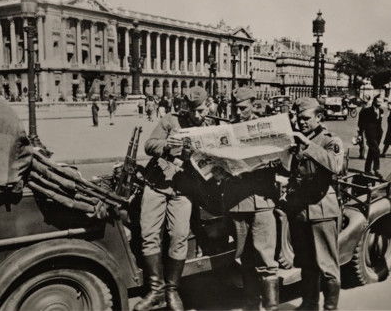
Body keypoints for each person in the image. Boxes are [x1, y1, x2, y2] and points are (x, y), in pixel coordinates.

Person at [134, 87, 210, 311]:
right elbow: (149, 145)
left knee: (178, 236)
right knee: (149, 235)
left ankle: (172, 290)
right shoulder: (171, 121)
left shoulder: (210, 128)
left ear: (210, 105)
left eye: (202, 111)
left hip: (183, 191)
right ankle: (155, 291)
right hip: (156, 185)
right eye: (194, 111)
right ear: (187, 107)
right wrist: (168, 145)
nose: (197, 116)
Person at [217, 87, 279, 310]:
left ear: (254, 105)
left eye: (243, 107)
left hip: (262, 201)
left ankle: (271, 308)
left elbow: (282, 159)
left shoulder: (267, 127)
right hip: (237, 203)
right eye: (236, 107)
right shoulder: (228, 129)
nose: (238, 111)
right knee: (244, 259)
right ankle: (252, 305)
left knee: (266, 259)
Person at [286, 97, 344, 311]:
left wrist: (308, 144)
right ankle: (309, 304)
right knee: (306, 262)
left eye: (306, 118)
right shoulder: (297, 140)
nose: (301, 122)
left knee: (327, 265)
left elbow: (335, 165)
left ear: (319, 117)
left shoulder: (330, 140)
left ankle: (330, 308)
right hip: (300, 209)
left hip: (322, 209)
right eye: (298, 118)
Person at [359, 95, 384, 177]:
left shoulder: (381, 111)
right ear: (374, 102)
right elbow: (361, 123)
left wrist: (381, 132)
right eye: (378, 102)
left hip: (378, 133)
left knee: (371, 151)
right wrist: (360, 133)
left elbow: (379, 122)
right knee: (376, 150)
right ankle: (376, 169)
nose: (379, 104)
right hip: (369, 132)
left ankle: (367, 169)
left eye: (380, 102)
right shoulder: (367, 111)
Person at [357, 95, 371, 159]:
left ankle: (363, 154)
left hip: (363, 128)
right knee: (361, 141)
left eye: (363, 102)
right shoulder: (364, 109)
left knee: (363, 141)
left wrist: (361, 128)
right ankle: (361, 154)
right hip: (362, 127)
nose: (362, 103)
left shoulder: (365, 110)